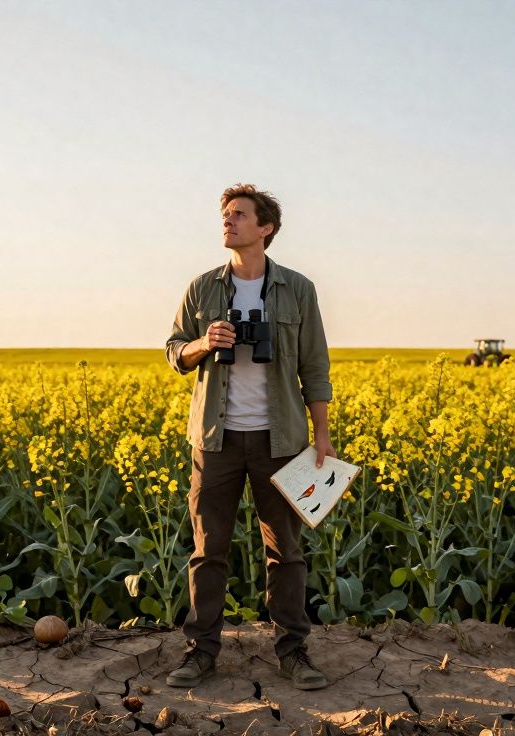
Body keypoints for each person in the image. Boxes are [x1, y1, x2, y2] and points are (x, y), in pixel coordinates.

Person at [163, 183, 335, 690]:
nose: (228, 221)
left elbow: (315, 366)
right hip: (214, 440)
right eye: (225, 215)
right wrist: (203, 342)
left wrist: (321, 435)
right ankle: (200, 651)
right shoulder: (201, 288)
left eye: (239, 215)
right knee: (207, 548)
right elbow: (173, 351)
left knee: (286, 550)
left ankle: (293, 650)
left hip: (278, 439)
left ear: (266, 229)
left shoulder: (298, 289)